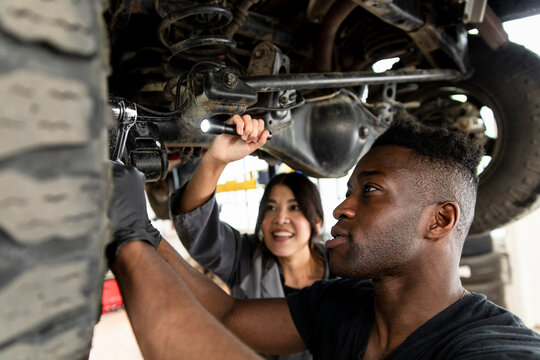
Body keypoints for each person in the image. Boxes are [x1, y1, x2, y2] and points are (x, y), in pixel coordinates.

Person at [107, 118, 540, 360]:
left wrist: (129, 242)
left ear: (440, 219)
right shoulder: (341, 305)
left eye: (369, 190)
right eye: (347, 191)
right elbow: (228, 316)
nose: (341, 208)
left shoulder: (493, 349)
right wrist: (144, 231)